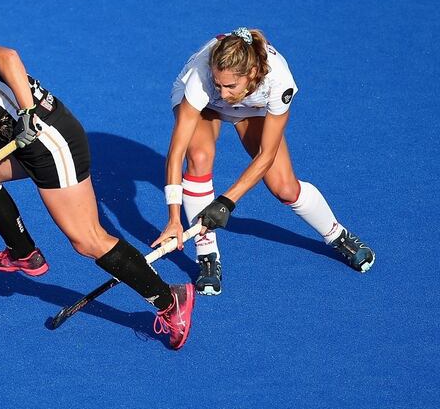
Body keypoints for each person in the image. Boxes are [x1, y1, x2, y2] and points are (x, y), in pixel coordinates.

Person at [0, 0, 194, 349]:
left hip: (50, 141)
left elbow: (7, 57)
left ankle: (170, 300)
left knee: (87, 239)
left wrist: (28, 114)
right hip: (26, 143)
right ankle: (23, 253)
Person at [153, 27, 375, 296]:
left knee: (284, 187)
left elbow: (266, 155)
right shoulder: (201, 79)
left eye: (230, 85)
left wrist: (225, 202)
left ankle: (337, 234)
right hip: (204, 108)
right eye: (218, 83)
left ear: (253, 74)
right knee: (198, 157)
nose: (223, 93)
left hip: (253, 107)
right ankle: (207, 254)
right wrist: (173, 217)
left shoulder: (279, 80)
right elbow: (176, 152)